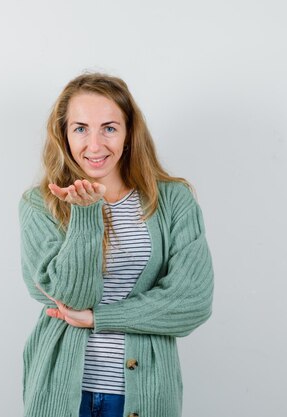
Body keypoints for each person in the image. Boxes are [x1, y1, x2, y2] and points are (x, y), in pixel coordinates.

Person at [18, 72, 214, 417]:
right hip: (62, 392)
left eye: (109, 128)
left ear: (128, 134)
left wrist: (98, 317)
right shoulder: (40, 204)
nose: (94, 145)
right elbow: (70, 296)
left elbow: (191, 302)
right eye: (80, 128)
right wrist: (86, 214)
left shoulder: (174, 200)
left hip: (145, 393)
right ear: (64, 135)